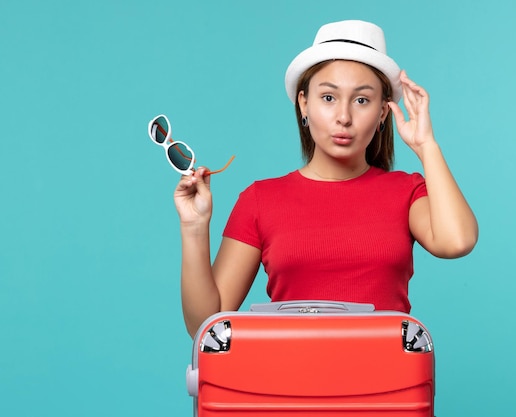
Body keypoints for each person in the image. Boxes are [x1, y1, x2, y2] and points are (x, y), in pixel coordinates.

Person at [174, 20, 478, 337]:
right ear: (304, 103)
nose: (343, 117)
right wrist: (194, 227)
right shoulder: (260, 200)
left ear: (383, 113)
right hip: (289, 382)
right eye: (329, 98)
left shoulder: (406, 191)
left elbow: (457, 241)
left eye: (362, 100)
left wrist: (426, 146)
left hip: (388, 381)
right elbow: (204, 326)